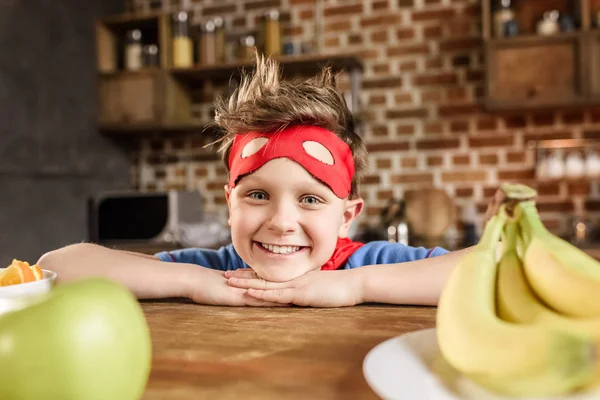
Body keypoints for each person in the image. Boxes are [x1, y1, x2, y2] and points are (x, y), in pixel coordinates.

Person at [37, 54, 472, 307]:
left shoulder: (369, 264)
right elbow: (56, 266)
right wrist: (196, 282)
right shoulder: (221, 271)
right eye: (258, 194)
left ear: (347, 215)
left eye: (310, 200)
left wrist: (355, 285)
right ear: (230, 203)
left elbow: (488, 271)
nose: (282, 221)